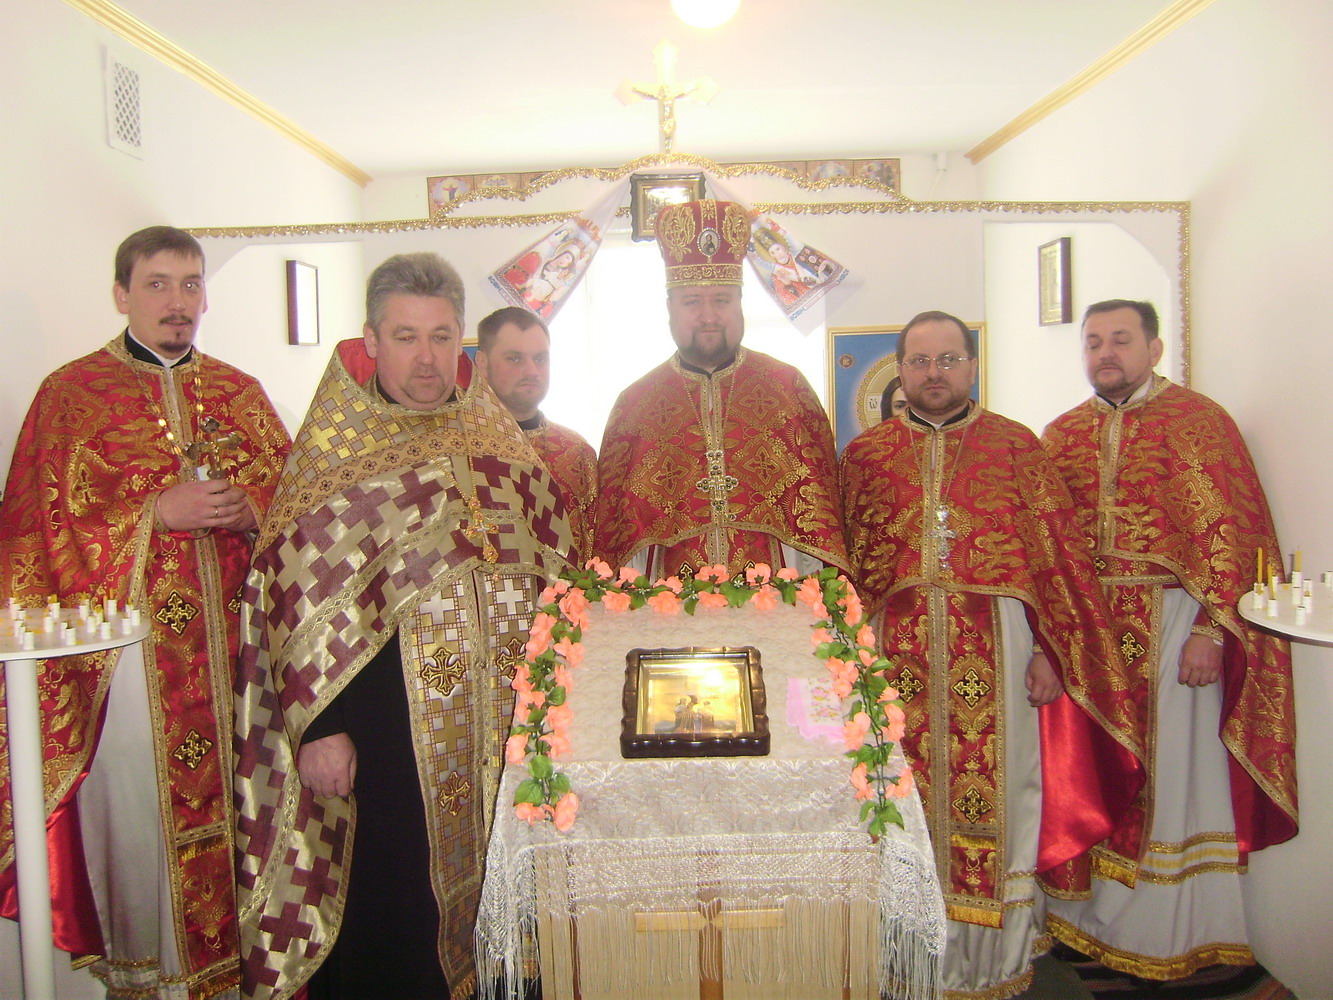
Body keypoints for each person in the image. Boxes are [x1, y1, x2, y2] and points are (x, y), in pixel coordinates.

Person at [233, 253, 573, 1000]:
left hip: (504, 719)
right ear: (371, 340)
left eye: (441, 337)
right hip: (386, 729)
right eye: (406, 336)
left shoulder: (501, 445)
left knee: (508, 891)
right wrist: (322, 726)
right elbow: (290, 600)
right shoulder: (337, 457)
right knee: (393, 907)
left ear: (461, 342)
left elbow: (555, 567)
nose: (426, 358)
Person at [0, 225, 290, 998]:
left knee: (249, 815)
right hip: (129, 673)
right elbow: (37, 530)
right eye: (157, 284)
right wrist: (153, 513)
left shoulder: (240, 394)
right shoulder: (71, 397)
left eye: (191, 283)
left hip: (237, 665)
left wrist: (253, 511)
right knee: (139, 826)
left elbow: (298, 506)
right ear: (121, 294)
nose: (177, 301)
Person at [841, 310, 1142, 999]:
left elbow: (1057, 564)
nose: (934, 373)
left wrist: (1053, 651)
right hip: (893, 663)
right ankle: (905, 958)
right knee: (897, 799)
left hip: (999, 651)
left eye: (948, 359)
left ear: (972, 366)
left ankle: (991, 962)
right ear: (900, 371)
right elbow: (848, 572)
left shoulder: (1015, 447)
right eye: (920, 361)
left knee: (1004, 799)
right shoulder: (865, 457)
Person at [1040, 299, 1298, 980]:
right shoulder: (1061, 435)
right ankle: (1086, 922)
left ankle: (1166, 933)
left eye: (1120, 340)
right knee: (1091, 771)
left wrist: (1212, 629)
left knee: (1172, 776)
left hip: (1173, 620)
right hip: (1092, 633)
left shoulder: (1199, 424)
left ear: (1154, 350)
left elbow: (1236, 536)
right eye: (1093, 342)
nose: (1105, 353)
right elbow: (1047, 547)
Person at [594, 199, 848, 578]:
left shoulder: (788, 390)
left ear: (740, 302)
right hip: (667, 602)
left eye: (722, 300)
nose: (709, 316)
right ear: (669, 307)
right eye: (692, 301)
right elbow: (615, 542)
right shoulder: (635, 405)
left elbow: (825, 527)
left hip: (778, 599)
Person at [475, 306, 597, 558]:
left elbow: (596, 552)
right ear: (483, 364)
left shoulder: (576, 452)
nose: (532, 371)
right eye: (514, 358)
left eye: (540, 359)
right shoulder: (462, 450)